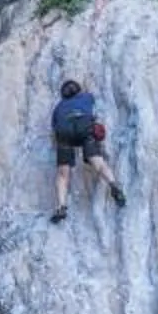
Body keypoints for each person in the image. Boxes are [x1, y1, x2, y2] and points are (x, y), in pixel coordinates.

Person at [49, 77, 126, 220]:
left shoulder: (58, 107)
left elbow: (54, 128)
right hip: (83, 125)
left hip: (64, 130)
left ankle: (61, 207)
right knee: (97, 161)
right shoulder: (86, 97)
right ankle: (114, 185)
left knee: (62, 174)